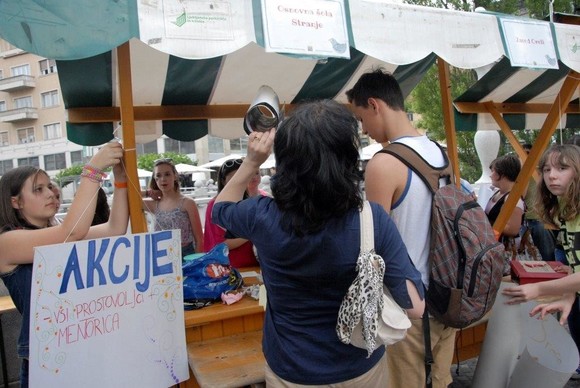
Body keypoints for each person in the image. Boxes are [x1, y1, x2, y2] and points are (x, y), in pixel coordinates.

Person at [212, 100, 424, 386]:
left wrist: (251, 161)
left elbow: (220, 210)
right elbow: (414, 306)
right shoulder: (372, 220)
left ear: (285, 161)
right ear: (348, 160)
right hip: (359, 369)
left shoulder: (261, 216)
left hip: (292, 371)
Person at [346, 68, 454, 388]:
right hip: (448, 299)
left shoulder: (384, 163)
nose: (364, 129)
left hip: (408, 309)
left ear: (375, 104)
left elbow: (372, 245)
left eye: (362, 119)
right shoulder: (440, 152)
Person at [0, 142, 128, 387]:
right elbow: (73, 231)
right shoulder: (7, 242)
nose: (50, 193)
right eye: (38, 189)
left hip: (80, 351)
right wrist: (93, 170)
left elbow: (116, 227)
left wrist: (121, 181)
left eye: (49, 186)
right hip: (46, 363)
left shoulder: (57, 233)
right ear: (16, 202)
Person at [502, 144, 580, 378]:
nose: (552, 175)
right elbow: (573, 264)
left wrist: (538, 288)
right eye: (546, 169)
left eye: (562, 168)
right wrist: (568, 296)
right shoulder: (564, 209)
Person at [143, 158, 204, 259]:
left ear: (175, 176)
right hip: (160, 254)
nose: (163, 179)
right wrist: (147, 193)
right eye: (158, 175)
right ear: (155, 179)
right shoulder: (154, 204)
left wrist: (196, 263)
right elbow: (127, 198)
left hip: (185, 255)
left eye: (167, 174)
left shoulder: (187, 203)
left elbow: (199, 239)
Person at [203, 159, 259, 268]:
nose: (239, 181)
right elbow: (222, 244)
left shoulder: (251, 202)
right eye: (233, 178)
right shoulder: (215, 205)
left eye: (242, 177)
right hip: (228, 268)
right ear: (223, 181)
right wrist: (255, 231)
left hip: (254, 264)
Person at [485, 154, 526, 266]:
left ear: (502, 174)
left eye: (493, 171)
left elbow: (513, 229)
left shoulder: (512, 198)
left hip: (506, 250)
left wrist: (484, 226)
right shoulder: (498, 193)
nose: (490, 175)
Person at [521, 143, 556, 261]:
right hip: (527, 221)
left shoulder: (542, 173)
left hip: (542, 220)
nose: (525, 157)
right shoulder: (520, 174)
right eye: (522, 153)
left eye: (528, 154)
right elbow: (522, 196)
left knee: (548, 256)